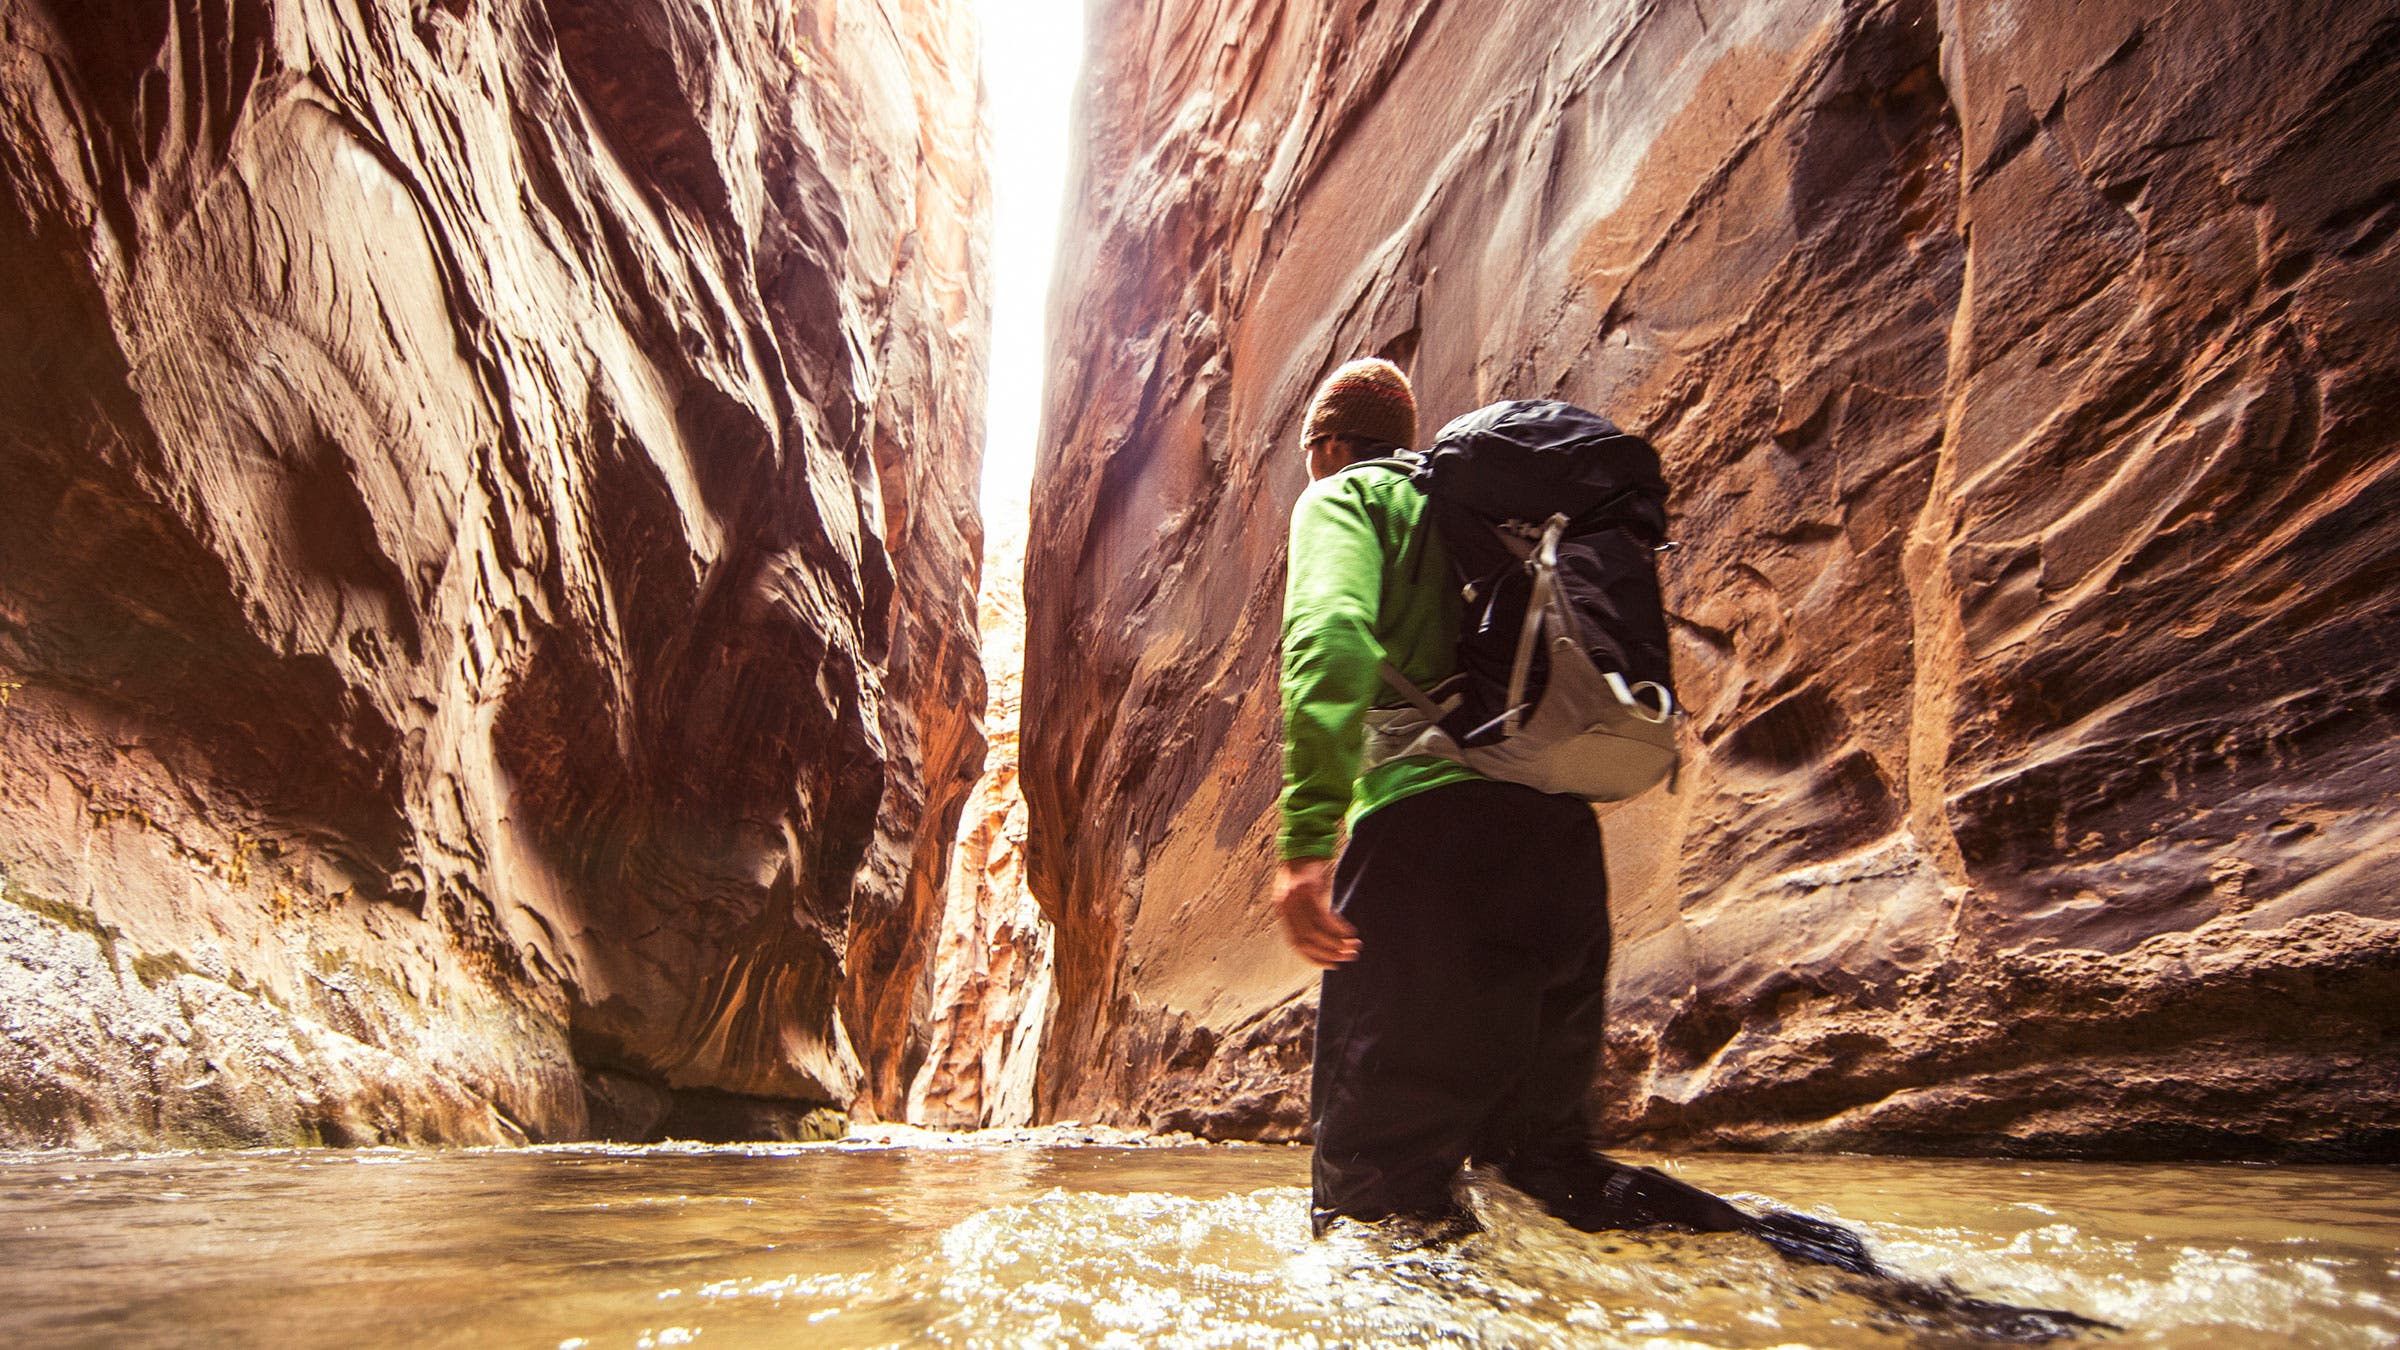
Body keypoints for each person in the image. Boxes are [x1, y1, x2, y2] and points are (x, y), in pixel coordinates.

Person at [1273, 358, 1875, 1268]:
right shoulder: (1491, 517)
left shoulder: (1345, 501)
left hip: (1427, 845)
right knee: (1544, 1175)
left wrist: (1306, 844)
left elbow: (1330, 640)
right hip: (1560, 848)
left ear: (1325, 445)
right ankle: (1853, 1274)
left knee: (1374, 1191)